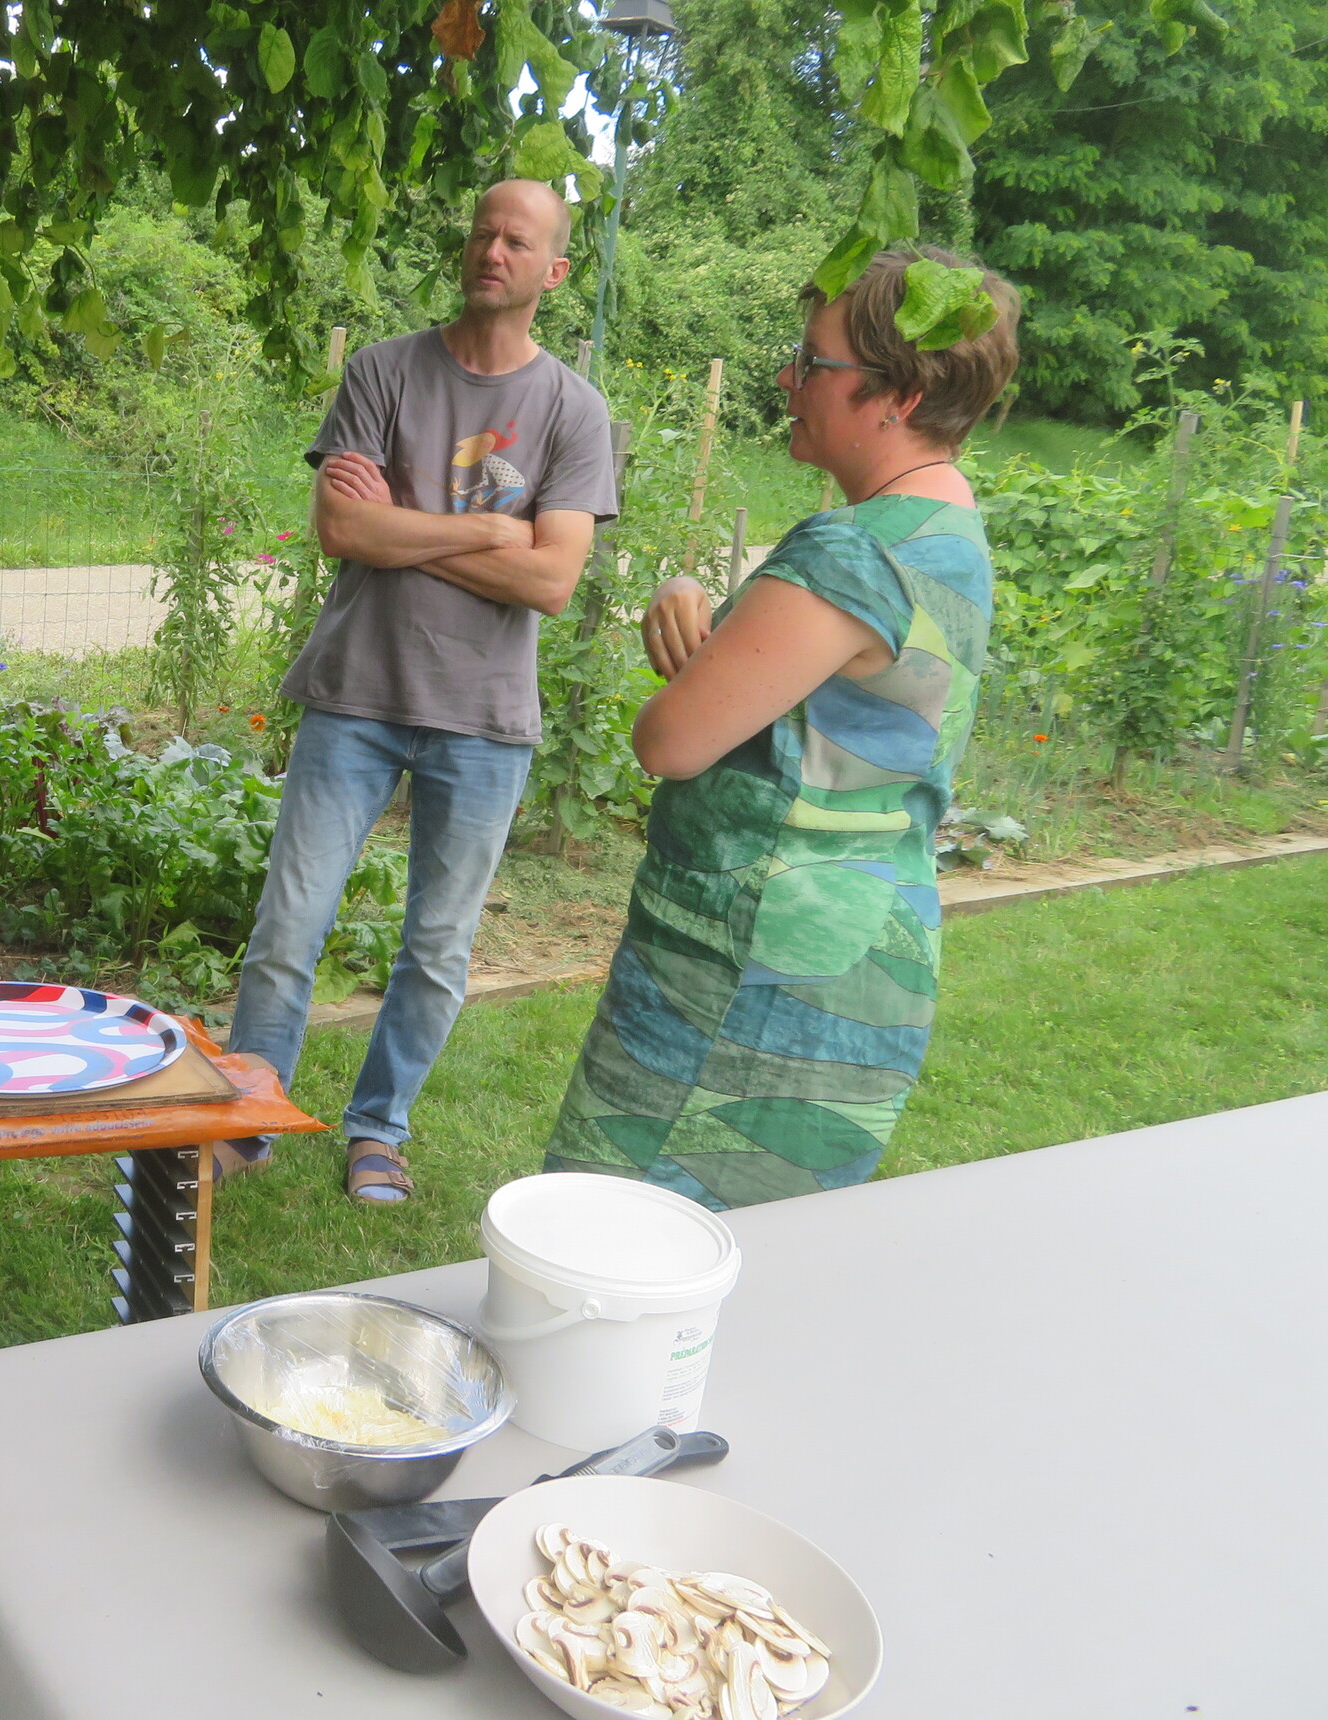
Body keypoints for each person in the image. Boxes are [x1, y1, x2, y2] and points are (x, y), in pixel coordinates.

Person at [544, 246, 1022, 1209]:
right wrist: (692, 599)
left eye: (812, 363)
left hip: (748, 986)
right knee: (739, 1264)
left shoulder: (850, 552)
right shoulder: (948, 534)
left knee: (600, 1242)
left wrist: (688, 634)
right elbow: (806, 704)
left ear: (900, 394)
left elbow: (671, 740)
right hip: (856, 967)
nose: (786, 381)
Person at [223, 179, 617, 1204]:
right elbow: (342, 528)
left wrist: (406, 527)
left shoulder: (574, 409)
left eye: (517, 240)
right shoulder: (383, 371)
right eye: (482, 232)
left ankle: (377, 1129)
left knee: (437, 949)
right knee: (288, 925)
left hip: (484, 721)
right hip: (355, 694)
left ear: (553, 271)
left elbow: (553, 580)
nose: (492, 250)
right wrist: (487, 529)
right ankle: (249, 1117)